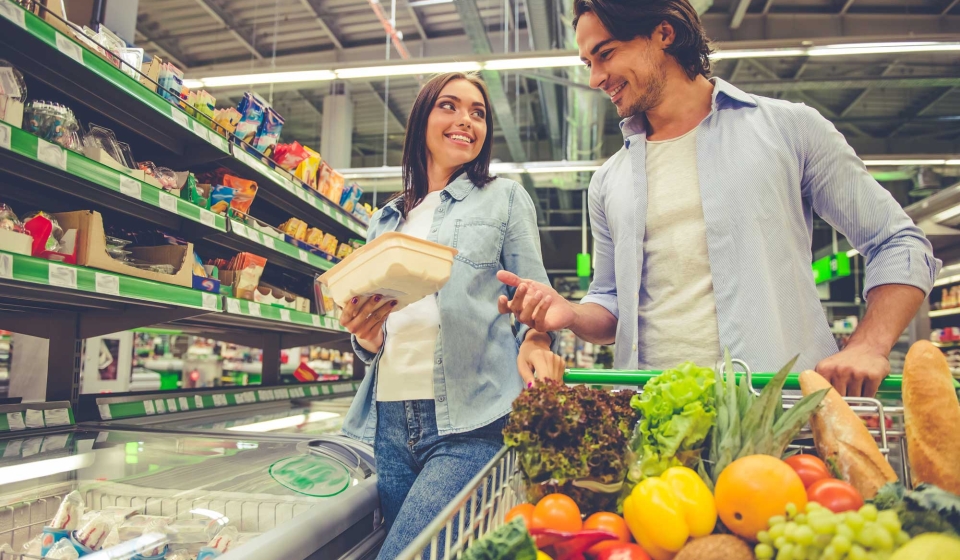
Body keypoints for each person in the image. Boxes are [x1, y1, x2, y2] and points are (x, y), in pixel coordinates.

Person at [498, 0, 940, 398]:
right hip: (654, 427)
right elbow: (611, 307)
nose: (595, 78)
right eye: (587, 62)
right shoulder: (608, 181)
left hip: (777, 419)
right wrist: (569, 312)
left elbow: (898, 242)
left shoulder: (789, 130)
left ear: (664, 33)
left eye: (606, 54)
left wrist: (868, 345)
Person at [338, 72, 563, 559]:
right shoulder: (385, 219)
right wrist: (365, 335)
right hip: (388, 423)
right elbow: (375, 334)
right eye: (450, 106)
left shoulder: (504, 198)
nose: (465, 120)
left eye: (477, 113)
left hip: (470, 420)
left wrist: (538, 340)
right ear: (422, 117)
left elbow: (537, 300)